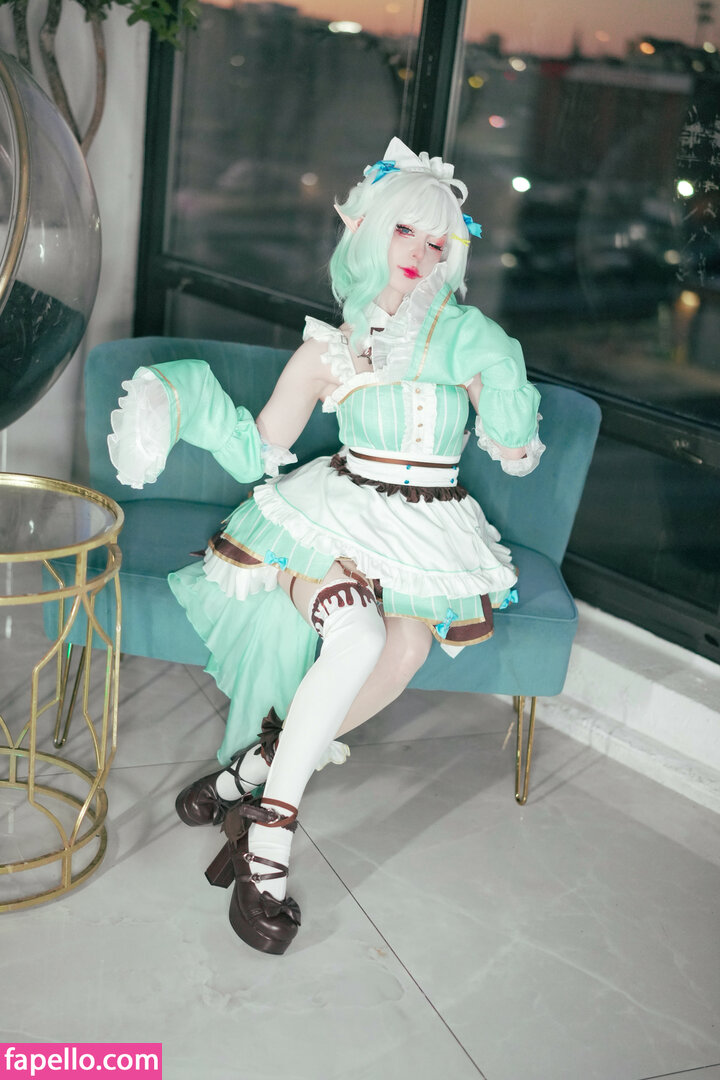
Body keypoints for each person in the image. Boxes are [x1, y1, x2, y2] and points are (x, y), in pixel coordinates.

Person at [108, 137, 544, 955]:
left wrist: (501, 363)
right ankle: (267, 845)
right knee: (360, 635)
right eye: (405, 231)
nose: (420, 253)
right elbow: (260, 447)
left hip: (426, 530)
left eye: (437, 241)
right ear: (369, 230)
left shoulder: (466, 342)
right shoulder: (329, 349)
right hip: (328, 519)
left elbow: (515, 444)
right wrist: (179, 400)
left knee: (407, 648)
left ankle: (245, 775)